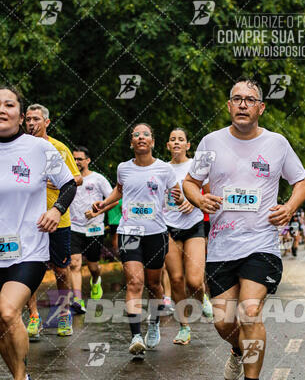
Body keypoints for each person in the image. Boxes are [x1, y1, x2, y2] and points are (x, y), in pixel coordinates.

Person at [183, 79, 305, 380]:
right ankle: (238, 350)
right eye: (236, 98)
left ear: (260, 107)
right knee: (224, 323)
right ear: (229, 106)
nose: (242, 104)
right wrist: (199, 198)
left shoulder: (277, 144)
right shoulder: (211, 142)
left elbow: (302, 181)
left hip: (261, 244)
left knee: (250, 312)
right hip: (222, 246)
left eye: (249, 99)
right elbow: (190, 182)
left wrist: (290, 207)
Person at [0, 85, 76, 380]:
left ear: (20, 114)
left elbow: (69, 184)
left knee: (6, 311)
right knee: (1, 326)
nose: (2, 109)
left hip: (27, 251)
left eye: (9, 104)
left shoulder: (39, 149)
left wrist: (57, 210)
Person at [92, 123, 183, 357]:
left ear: (152, 142)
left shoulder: (164, 170)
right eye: (136, 135)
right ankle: (135, 336)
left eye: (146, 135)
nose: (141, 137)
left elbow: (176, 195)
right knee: (134, 282)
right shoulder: (123, 168)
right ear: (131, 143)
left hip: (156, 233)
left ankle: (153, 322)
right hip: (129, 232)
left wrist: (180, 198)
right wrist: (103, 204)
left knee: (154, 285)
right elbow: (119, 190)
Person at [24, 104, 82, 338]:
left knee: (60, 268)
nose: (31, 123)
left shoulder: (58, 148)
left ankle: (64, 312)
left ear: (47, 122)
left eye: (36, 119)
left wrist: (56, 182)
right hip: (28, 218)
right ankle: (34, 316)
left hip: (58, 217)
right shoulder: (21, 148)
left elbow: (76, 178)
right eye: (28, 119)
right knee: (27, 267)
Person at [163, 127, 213, 345]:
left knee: (194, 280)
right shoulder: (161, 168)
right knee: (175, 279)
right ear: (167, 145)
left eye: (180, 139)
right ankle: (184, 327)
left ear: (187, 145)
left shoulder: (196, 166)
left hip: (193, 225)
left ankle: (203, 298)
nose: (176, 142)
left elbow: (209, 194)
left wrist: (193, 203)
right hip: (168, 226)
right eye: (172, 139)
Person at [69, 146, 116, 313]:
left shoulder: (98, 179)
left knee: (93, 266)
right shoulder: (69, 178)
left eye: (79, 159)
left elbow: (113, 201)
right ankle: (77, 301)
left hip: (94, 228)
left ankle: (96, 280)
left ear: (87, 160)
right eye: (74, 158)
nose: (76, 162)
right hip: (74, 227)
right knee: (74, 264)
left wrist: (97, 211)